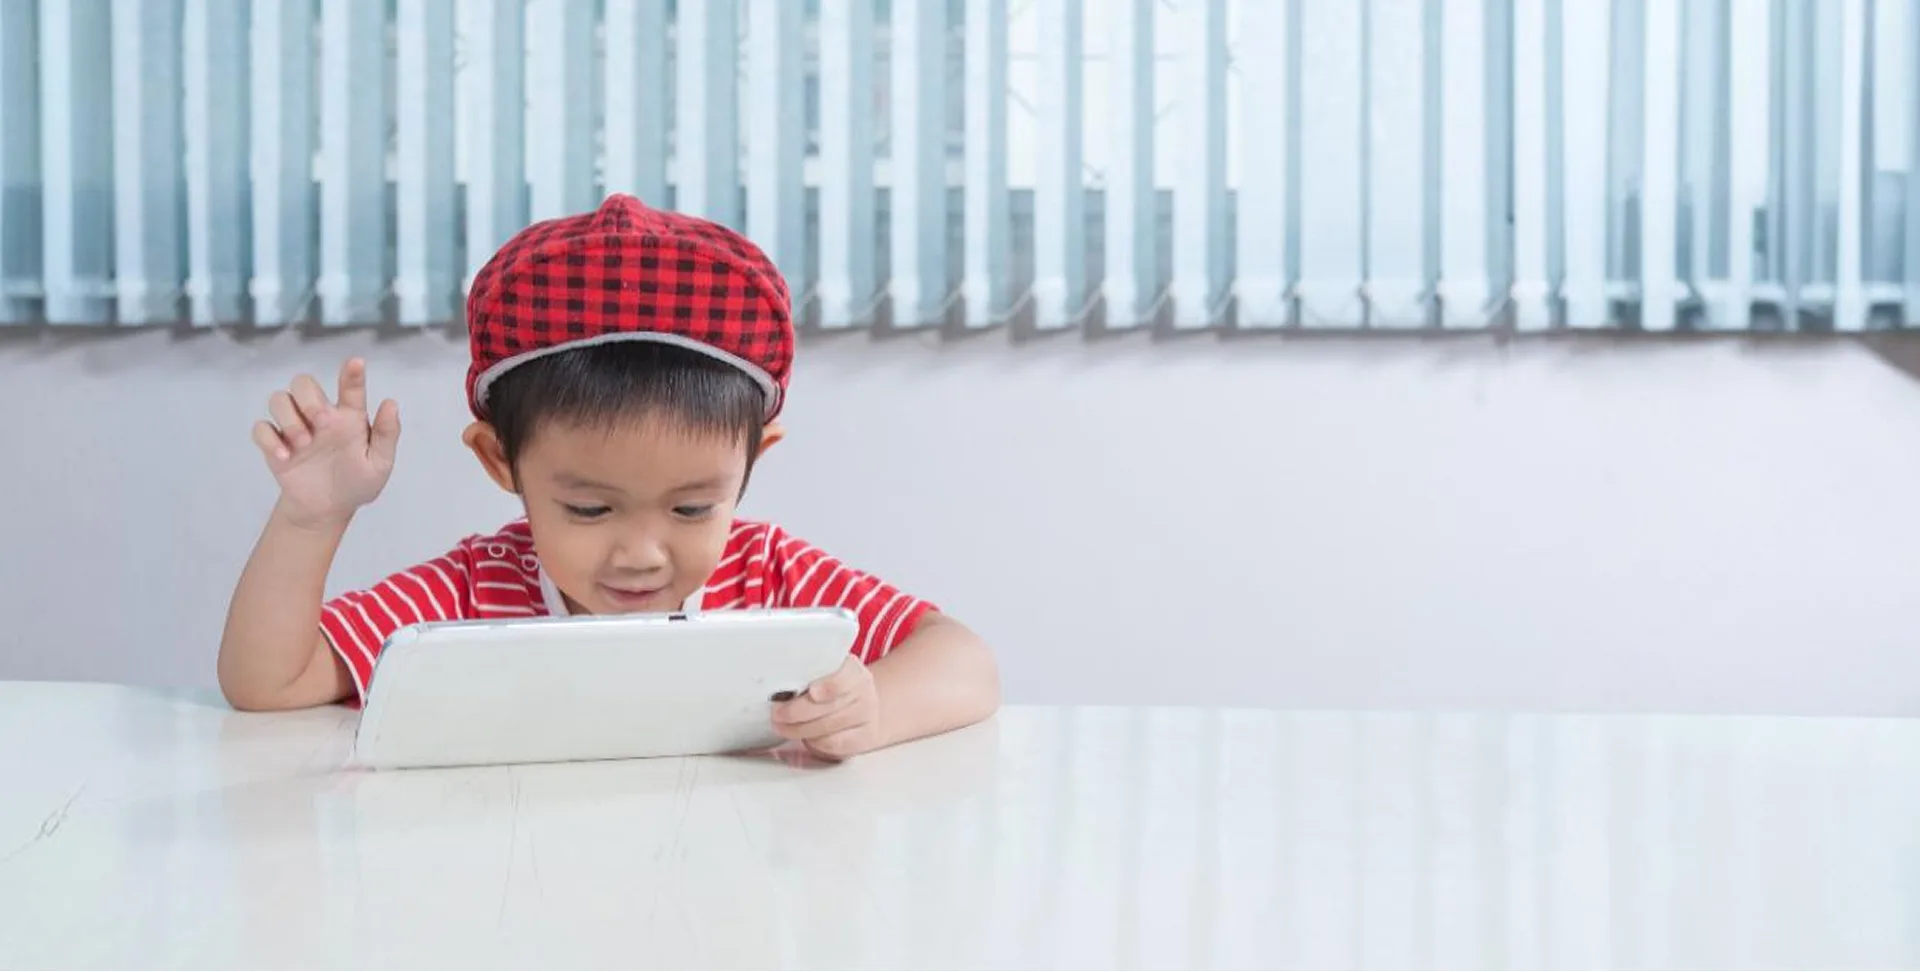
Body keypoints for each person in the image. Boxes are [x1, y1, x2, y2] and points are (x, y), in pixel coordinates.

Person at [217, 194, 1001, 761]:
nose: (642, 553)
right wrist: (311, 519)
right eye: (589, 508)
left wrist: (874, 710)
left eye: (693, 507)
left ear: (753, 462)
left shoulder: (764, 575)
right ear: (500, 462)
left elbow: (964, 659)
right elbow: (270, 682)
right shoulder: (476, 592)